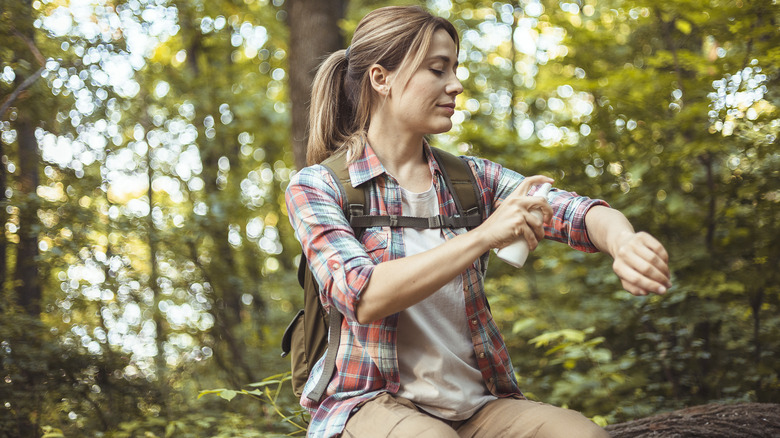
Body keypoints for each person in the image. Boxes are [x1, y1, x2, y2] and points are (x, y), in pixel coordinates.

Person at [285, 5, 671, 438]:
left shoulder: (470, 179)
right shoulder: (318, 187)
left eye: (455, 67)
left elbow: (577, 213)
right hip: (371, 402)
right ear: (381, 79)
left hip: (477, 406)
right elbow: (362, 296)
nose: (456, 84)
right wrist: (485, 235)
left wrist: (624, 242)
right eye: (437, 69)